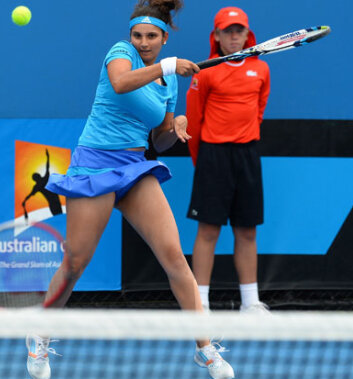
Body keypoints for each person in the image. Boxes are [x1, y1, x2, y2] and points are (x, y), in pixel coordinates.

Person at [25, 1, 234, 379]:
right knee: (75, 263)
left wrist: (177, 125)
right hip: (94, 165)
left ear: (164, 37)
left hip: (135, 167)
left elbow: (160, 139)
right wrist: (168, 65)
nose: (143, 42)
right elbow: (121, 84)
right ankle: (40, 334)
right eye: (138, 35)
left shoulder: (168, 81)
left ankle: (205, 350)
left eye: (151, 37)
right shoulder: (121, 53)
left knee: (174, 256)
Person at [185, 7, 271, 315]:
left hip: (247, 154)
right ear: (217, 36)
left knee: (247, 231)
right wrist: (203, 161)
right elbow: (194, 122)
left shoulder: (261, 69)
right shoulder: (205, 72)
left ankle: (250, 303)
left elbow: (258, 111)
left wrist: (245, 138)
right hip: (213, 156)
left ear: (248, 35)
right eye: (228, 31)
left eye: (239, 30)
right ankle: (201, 303)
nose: (234, 36)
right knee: (208, 229)